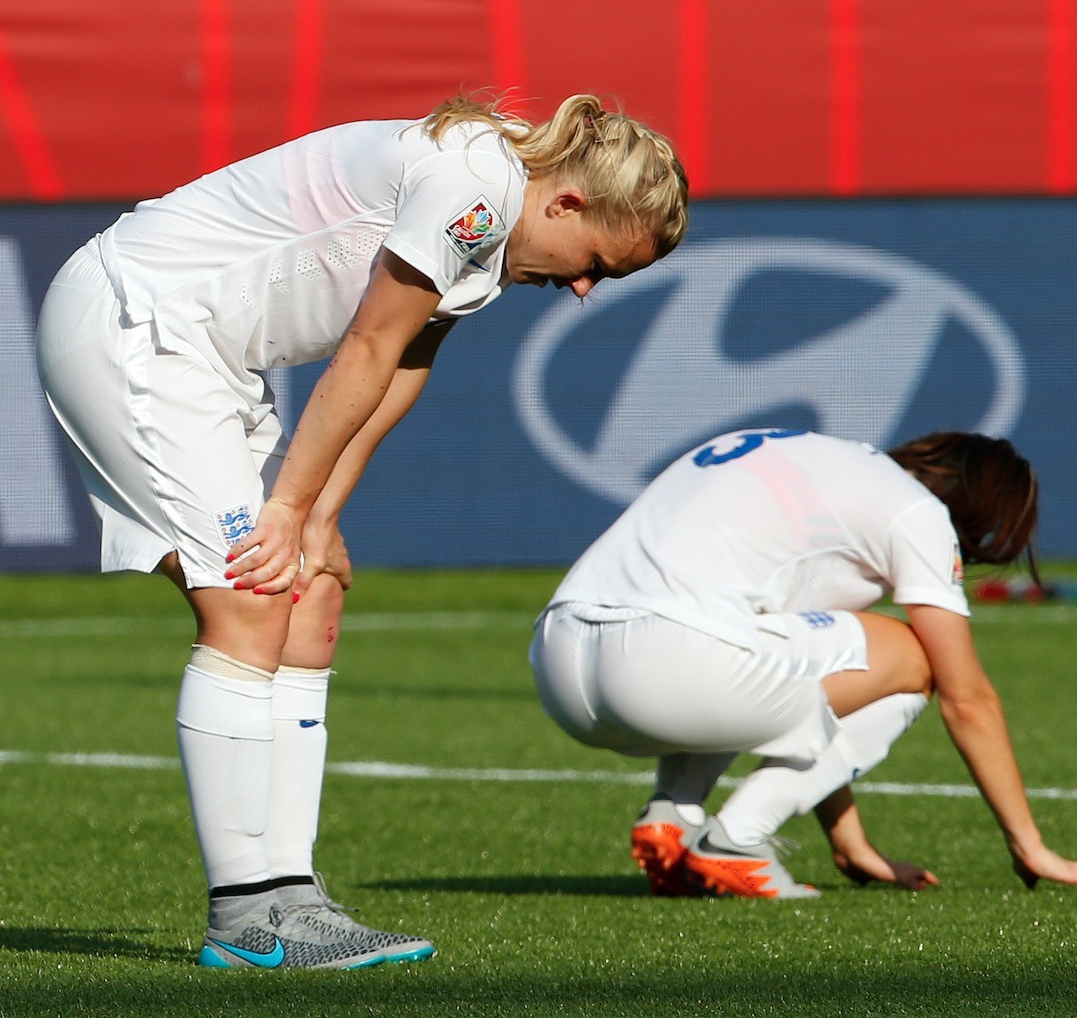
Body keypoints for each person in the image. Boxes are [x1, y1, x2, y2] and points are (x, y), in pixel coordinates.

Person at [35, 93, 689, 968]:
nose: (581, 288)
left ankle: (291, 899)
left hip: (209, 356)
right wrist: (285, 509)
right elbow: (366, 351)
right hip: (137, 324)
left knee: (310, 596)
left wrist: (321, 515)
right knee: (250, 595)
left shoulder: (493, 229)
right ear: (568, 204)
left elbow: (406, 363)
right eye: (598, 265)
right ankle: (243, 917)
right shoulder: (477, 189)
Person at [529, 428, 1077, 900]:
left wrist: (849, 842)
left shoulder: (808, 456)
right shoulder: (916, 513)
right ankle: (735, 842)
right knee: (916, 656)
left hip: (559, 657)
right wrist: (1030, 845)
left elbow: (799, 690)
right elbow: (967, 697)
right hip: (671, 667)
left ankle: (673, 817)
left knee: (753, 644)